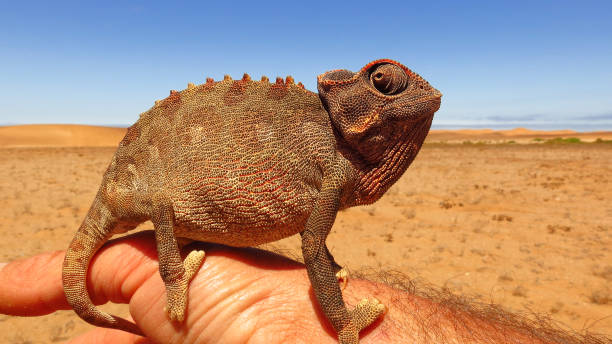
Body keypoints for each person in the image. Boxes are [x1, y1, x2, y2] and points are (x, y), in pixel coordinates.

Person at [0, 231, 600, 343]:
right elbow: (312, 247)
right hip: (155, 194)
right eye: (384, 85)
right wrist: (339, 320)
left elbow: (316, 244)